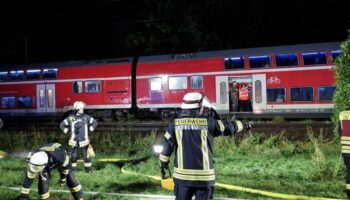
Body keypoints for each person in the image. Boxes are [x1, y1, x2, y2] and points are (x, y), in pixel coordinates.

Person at [159, 92, 251, 200]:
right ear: (201, 108)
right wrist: (244, 124)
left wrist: (163, 165)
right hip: (204, 179)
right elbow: (229, 127)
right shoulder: (209, 123)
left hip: (182, 179)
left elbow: (166, 149)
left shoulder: (174, 125)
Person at [19, 143, 83, 200]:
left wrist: (63, 178)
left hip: (59, 158)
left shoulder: (60, 157)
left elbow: (66, 167)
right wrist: (23, 197)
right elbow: (27, 182)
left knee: (71, 179)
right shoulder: (34, 161)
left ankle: (79, 198)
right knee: (43, 185)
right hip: (45, 164)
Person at [60, 101, 98, 173]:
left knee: (86, 156)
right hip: (73, 141)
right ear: (77, 109)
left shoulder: (86, 117)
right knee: (73, 157)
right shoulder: (71, 118)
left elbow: (95, 122)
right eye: (81, 108)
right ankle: (73, 170)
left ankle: (88, 170)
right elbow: (61, 125)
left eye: (82, 108)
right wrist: (67, 131)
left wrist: (91, 128)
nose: (82, 109)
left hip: (84, 141)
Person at [340, 100, 350, 199]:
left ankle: (349, 191)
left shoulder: (342, 115)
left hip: (346, 149)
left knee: (349, 170)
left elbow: (340, 131)